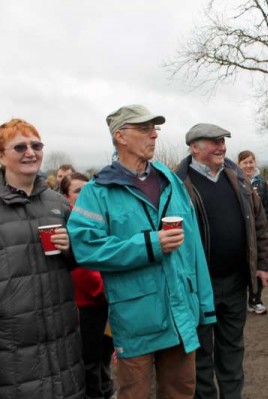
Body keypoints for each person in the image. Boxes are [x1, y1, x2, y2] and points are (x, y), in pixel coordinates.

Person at [68, 104, 216, 399]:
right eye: (145, 129)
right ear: (120, 136)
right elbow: (85, 247)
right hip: (136, 318)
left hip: (180, 313)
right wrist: (150, 245)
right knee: (134, 394)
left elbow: (193, 243)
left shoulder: (168, 179)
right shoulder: (98, 191)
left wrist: (204, 303)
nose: (154, 135)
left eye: (155, 129)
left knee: (181, 391)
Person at [175, 123, 268, 399]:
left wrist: (263, 264)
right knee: (201, 354)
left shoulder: (236, 175)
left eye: (223, 142)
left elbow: (258, 223)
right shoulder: (178, 183)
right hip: (198, 286)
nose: (222, 147)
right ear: (194, 147)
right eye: (214, 142)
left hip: (235, 281)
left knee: (232, 348)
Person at [0, 118, 85, 398]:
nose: (30, 152)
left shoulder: (57, 203)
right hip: (13, 341)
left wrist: (70, 247)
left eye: (36, 145)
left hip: (61, 334)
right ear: (2, 156)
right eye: (19, 147)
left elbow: (79, 259)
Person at [62, 172, 116, 399]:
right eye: (77, 190)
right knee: (90, 360)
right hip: (87, 305)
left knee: (104, 357)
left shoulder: (97, 218)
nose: (84, 194)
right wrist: (103, 290)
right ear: (65, 196)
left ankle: (106, 391)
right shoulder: (66, 222)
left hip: (107, 301)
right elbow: (80, 267)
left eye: (87, 189)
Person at [238, 150, 268, 315]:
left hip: (259, 230)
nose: (248, 165)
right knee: (243, 265)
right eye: (245, 162)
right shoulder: (234, 180)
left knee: (260, 263)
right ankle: (241, 301)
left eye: (250, 162)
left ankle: (256, 299)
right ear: (239, 164)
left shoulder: (261, 182)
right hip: (242, 231)